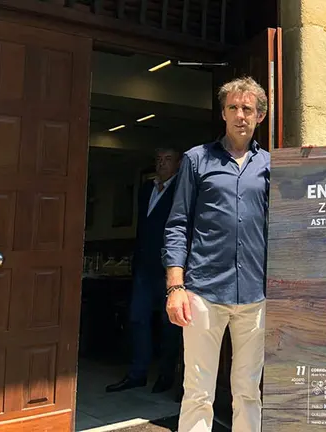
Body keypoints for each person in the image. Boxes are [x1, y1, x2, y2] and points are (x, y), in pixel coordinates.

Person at [162, 76, 269, 432]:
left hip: (255, 294)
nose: (241, 115)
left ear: (260, 116)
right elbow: (177, 225)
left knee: (249, 390)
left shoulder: (271, 166)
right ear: (223, 114)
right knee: (197, 391)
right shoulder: (196, 160)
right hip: (203, 292)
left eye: (248, 109)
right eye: (233, 108)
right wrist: (175, 288)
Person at [107, 148, 182, 394]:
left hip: (168, 268)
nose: (162, 164)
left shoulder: (182, 189)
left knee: (168, 323)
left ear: (178, 164)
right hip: (143, 266)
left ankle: (166, 374)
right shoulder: (147, 189)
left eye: (167, 159)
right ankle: (137, 373)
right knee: (137, 318)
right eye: (159, 160)